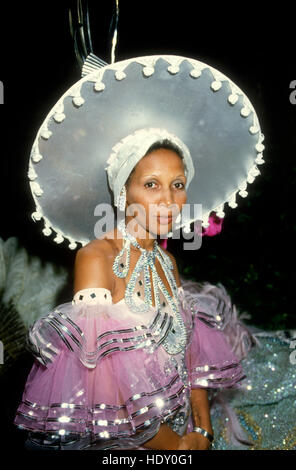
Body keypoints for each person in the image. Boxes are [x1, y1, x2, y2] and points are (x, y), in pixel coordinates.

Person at [15, 54, 296, 451]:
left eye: (178, 184)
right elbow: (103, 393)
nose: (169, 200)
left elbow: (191, 354)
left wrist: (202, 429)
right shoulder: (96, 258)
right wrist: (175, 448)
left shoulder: (167, 262)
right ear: (122, 192)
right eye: (151, 185)